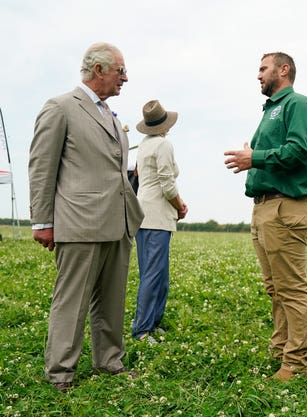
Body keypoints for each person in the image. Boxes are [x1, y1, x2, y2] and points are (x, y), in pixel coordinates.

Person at [28, 42, 144, 393]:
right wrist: (42, 222)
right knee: (72, 300)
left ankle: (109, 361)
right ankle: (61, 371)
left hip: (118, 222)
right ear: (99, 71)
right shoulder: (61, 107)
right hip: (80, 223)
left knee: (112, 299)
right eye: (121, 71)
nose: (125, 78)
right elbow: (41, 167)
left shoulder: (110, 114)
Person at [224, 52, 307, 381]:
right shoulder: (270, 111)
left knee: (291, 288)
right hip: (264, 207)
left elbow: (300, 151)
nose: (258, 75)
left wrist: (255, 158)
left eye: (263, 68)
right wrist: (255, 160)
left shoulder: (298, 105)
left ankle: (295, 364)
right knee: (275, 287)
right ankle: (281, 347)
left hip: (286, 208)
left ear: (284, 69)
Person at [132, 100, 187, 344]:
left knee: (154, 273)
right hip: (157, 217)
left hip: (143, 214)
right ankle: (142, 330)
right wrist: (180, 205)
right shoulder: (163, 144)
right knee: (154, 275)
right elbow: (167, 183)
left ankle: (152, 324)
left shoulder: (144, 145)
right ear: (164, 125)